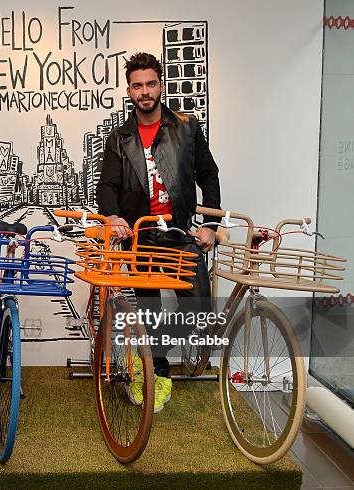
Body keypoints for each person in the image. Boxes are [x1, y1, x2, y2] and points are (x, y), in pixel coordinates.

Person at [96, 52, 221, 413]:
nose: (145, 91)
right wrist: (113, 216)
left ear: (160, 86)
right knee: (149, 311)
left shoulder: (186, 127)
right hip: (141, 235)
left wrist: (211, 225)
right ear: (129, 90)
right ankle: (157, 373)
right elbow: (106, 185)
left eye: (151, 83)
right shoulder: (120, 138)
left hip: (180, 232)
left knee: (197, 309)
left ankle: (152, 358)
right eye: (137, 85)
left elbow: (208, 175)